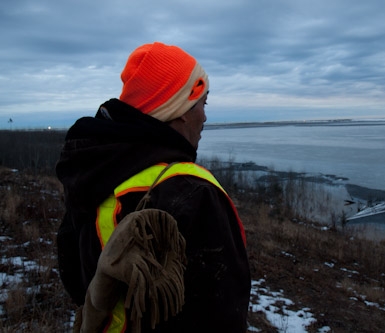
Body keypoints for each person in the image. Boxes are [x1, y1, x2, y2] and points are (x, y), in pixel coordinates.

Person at [56, 42, 251, 332]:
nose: (205, 117)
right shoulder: (194, 191)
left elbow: (75, 281)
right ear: (182, 108)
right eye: (203, 103)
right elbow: (223, 315)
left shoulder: (94, 173)